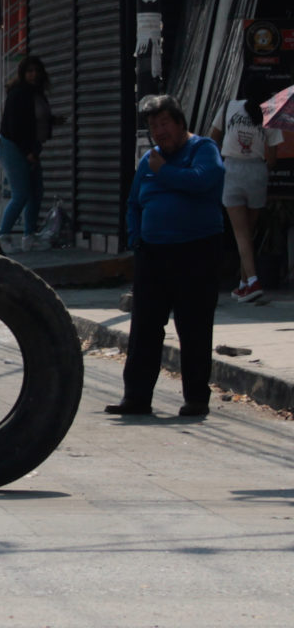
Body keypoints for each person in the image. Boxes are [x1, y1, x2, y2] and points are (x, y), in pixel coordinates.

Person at [112, 93, 226, 419]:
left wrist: (164, 172)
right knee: (145, 326)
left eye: (163, 124)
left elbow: (204, 181)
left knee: (194, 326)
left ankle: (195, 399)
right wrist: (137, 238)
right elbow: (134, 203)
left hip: (197, 250)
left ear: (179, 123)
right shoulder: (150, 159)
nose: (158, 132)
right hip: (153, 253)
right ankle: (136, 397)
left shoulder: (203, 149)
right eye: (152, 126)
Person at [211, 80, 282, 305]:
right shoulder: (270, 114)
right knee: (248, 233)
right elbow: (271, 159)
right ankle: (243, 286)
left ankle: (253, 281)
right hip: (257, 173)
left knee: (240, 233)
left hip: (232, 170)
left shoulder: (228, 107)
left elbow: (212, 139)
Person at [0, 55, 53, 250]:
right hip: (14, 147)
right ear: (23, 74)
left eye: (36, 71)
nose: (34, 75)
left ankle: (29, 236)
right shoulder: (18, 94)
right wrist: (27, 151)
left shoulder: (36, 93)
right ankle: (3, 235)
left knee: (36, 193)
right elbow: (15, 127)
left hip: (31, 147)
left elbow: (38, 121)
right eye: (29, 71)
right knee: (21, 194)